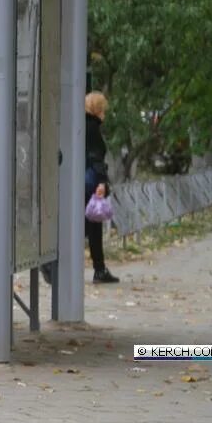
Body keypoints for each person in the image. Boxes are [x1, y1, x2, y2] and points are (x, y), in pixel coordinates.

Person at [85, 91, 119, 284]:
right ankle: (99, 269)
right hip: (90, 183)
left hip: (78, 182)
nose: (104, 113)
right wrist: (102, 182)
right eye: (103, 109)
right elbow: (95, 157)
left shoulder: (80, 124)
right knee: (94, 225)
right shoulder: (92, 128)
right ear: (97, 109)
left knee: (85, 225)